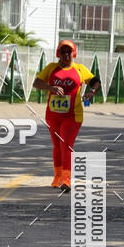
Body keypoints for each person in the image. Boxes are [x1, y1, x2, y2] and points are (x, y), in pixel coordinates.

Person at [33, 40, 101, 192]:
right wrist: (50, 87)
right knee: (57, 146)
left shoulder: (79, 69)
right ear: (58, 53)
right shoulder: (51, 68)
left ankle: (67, 180)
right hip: (52, 115)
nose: (66, 54)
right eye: (63, 51)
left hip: (73, 115)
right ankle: (57, 177)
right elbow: (36, 83)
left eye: (69, 51)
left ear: (74, 53)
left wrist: (92, 92)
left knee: (66, 144)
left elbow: (96, 82)